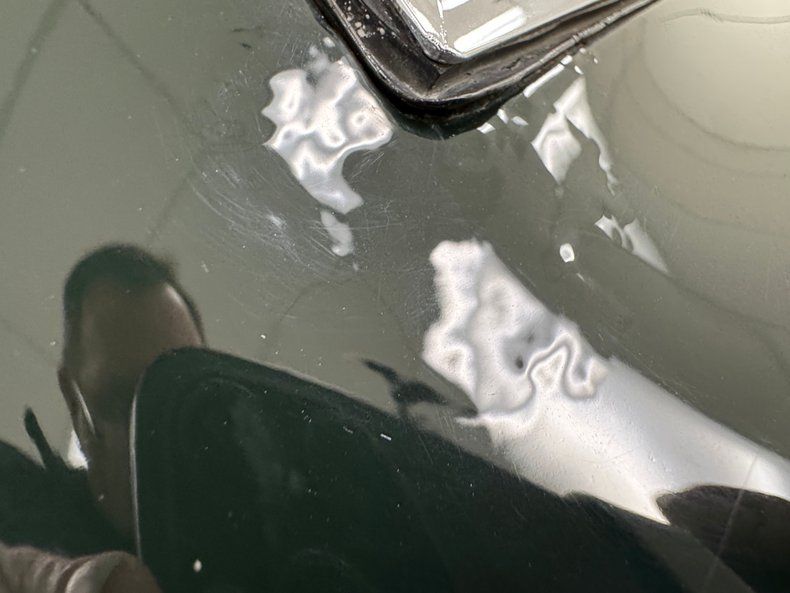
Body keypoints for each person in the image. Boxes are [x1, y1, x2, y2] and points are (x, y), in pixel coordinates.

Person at [0, 244, 204, 566]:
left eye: (179, 395)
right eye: (124, 402)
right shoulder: (18, 531)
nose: (154, 431)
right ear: (75, 404)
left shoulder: (264, 536)